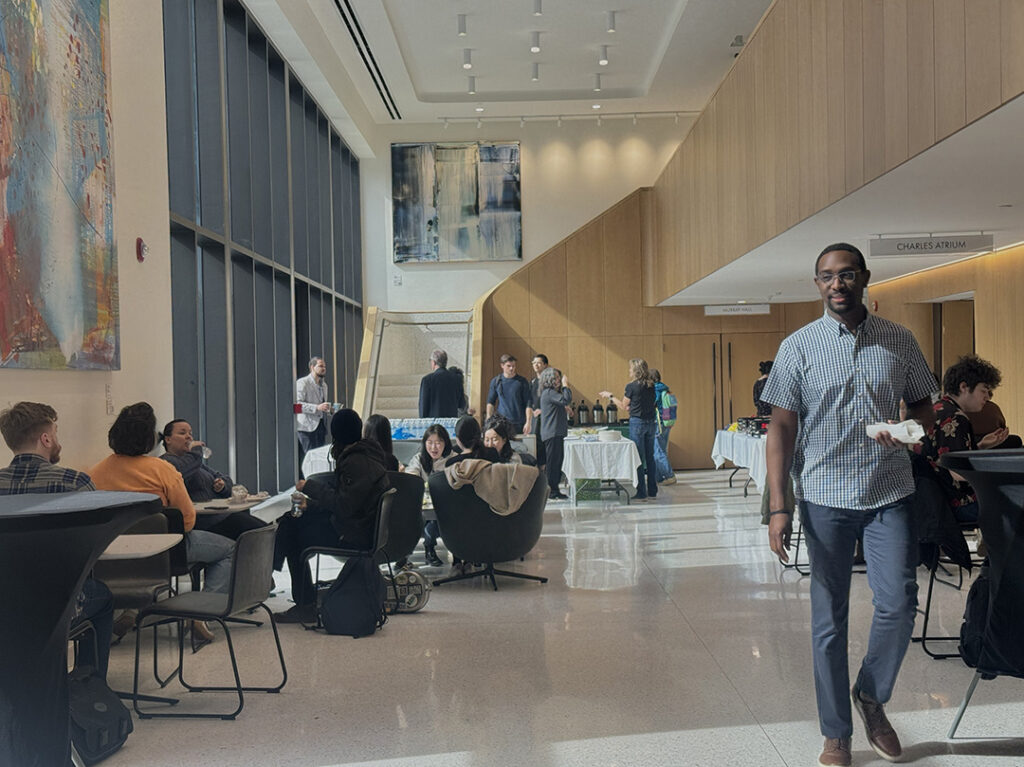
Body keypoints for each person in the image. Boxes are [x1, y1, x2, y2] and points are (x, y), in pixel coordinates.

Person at [761, 242, 937, 767]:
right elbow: (781, 427)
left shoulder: (898, 340)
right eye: (826, 277)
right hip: (823, 496)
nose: (836, 284)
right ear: (817, 285)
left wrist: (909, 429)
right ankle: (836, 733)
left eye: (846, 275)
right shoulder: (799, 346)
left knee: (899, 603)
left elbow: (927, 406)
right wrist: (779, 506)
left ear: (863, 278)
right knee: (828, 620)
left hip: (890, 492)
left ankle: (871, 695)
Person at [91, 403, 236, 644]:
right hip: (167, 555)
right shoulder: (162, 470)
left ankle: (132, 609)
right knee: (232, 549)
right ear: (152, 439)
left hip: (113, 557)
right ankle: (201, 613)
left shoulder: (96, 472)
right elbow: (187, 521)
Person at [0, 402, 115, 679]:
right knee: (103, 596)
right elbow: (91, 549)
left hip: (5, 605)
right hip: (58, 605)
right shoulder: (74, 482)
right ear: (46, 438)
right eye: (56, 433)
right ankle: (89, 686)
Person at [274, 409, 390, 623]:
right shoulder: (368, 455)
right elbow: (347, 501)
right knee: (291, 521)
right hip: (357, 526)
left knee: (294, 536)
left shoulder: (356, 462)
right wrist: (313, 504)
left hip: (352, 533)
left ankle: (302, 602)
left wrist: (311, 488)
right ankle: (270, 573)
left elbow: (343, 505)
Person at [918, 355, 1007, 524]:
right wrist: (1001, 474)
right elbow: (958, 473)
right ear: (964, 387)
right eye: (984, 390)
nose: (988, 397)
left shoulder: (938, 409)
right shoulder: (955, 417)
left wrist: (980, 447)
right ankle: (1000, 548)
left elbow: (947, 457)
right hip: (958, 502)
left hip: (934, 500)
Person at [159, 419, 266, 539]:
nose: (189, 437)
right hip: (206, 522)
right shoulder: (166, 462)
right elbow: (183, 472)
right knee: (262, 535)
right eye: (182, 433)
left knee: (267, 531)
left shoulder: (196, 463)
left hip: (223, 514)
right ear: (168, 439)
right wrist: (196, 451)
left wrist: (222, 486)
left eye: (190, 433)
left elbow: (225, 478)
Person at [600, 358, 658, 502]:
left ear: (636, 371)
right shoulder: (652, 385)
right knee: (650, 458)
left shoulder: (631, 387)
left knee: (638, 458)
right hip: (651, 423)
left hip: (637, 423)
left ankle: (641, 492)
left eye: (631, 369)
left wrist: (611, 396)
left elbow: (624, 406)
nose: (629, 371)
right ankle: (652, 490)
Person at [404, 424, 453, 567]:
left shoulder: (452, 459)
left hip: (446, 505)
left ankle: (430, 548)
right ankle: (405, 554)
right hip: (423, 504)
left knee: (434, 519)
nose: (434, 447)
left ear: (446, 443)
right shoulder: (419, 458)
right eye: (430, 443)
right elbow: (411, 475)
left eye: (438, 443)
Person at [539, 366, 572, 499]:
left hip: (556, 432)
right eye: (556, 378)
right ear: (550, 380)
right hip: (552, 433)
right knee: (553, 463)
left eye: (559, 378)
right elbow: (566, 399)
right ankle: (552, 490)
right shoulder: (549, 392)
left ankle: (554, 489)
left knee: (557, 462)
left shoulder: (550, 393)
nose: (559, 380)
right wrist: (565, 385)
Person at [486, 354, 532, 436]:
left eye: (513, 366)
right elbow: (490, 402)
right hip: (501, 422)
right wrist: (489, 420)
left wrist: (528, 422)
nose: (512, 368)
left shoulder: (522, 381)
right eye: (509, 366)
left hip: (519, 423)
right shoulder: (496, 381)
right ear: (502, 365)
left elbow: (528, 403)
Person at [296, 356, 331, 464]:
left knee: (319, 457)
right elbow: (297, 406)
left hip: (320, 425)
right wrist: (316, 407)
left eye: (324, 366)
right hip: (306, 427)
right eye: (320, 366)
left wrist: (329, 409)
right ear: (312, 367)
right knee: (309, 457)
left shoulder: (324, 385)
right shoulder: (303, 383)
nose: (323, 368)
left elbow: (322, 404)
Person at [418, 349, 464, 418]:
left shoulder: (427, 380)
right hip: (451, 422)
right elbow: (461, 404)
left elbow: (423, 406)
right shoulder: (457, 379)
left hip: (434, 423)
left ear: (433, 362)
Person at [651, 369, 676, 485]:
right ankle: (659, 477)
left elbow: (653, 403)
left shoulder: (655, 389)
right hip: (666, 422)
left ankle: (669, 476)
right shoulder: (665, 388)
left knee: (658, 451)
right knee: (661, 449)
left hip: (658, 422)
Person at [529, 353, 549, 468]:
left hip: (546, 417)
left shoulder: (550, 382)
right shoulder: (532, 382)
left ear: (545, 365)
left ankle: (544, 468)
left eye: (539, 363)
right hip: (534, 418)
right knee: (535, 442)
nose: (536, 365)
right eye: (534, 363)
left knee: (544, 443)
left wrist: (542, 410)